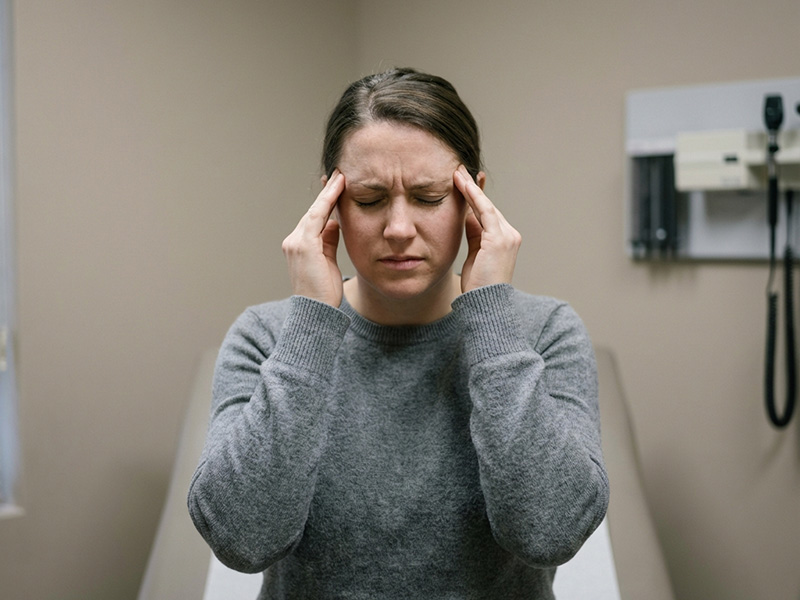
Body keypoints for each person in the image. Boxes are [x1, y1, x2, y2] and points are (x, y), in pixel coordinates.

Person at [188, 67, 608, 599]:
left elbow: (550, 532)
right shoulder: (266, 337)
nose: (399, 229)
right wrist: (311, 327)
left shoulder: (545, 333)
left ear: (474, 200)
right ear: (331, 203)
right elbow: (242, 539)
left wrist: (493, 321)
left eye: (430, 197)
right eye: (369, 199)